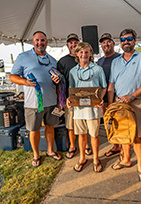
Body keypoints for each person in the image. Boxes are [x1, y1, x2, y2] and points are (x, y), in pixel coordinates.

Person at [10, 31, 62, 167]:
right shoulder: (23, 57)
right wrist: (25, 82)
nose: (40, 43)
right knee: (34, 129)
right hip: (33, 103)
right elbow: (12, 76)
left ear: (47, 42)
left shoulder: (53, 60)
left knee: (50, 127)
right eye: (37, 40)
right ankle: (36, 155)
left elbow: (57, 81)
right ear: (33, 42)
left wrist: (57, 85)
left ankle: (50, 151)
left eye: (43, 40)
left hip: (51, 101)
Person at [108, 28, 141, 182]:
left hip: (136, 103)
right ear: (120, 43)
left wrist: (132, 95)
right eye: (123, 39)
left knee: (136, 137)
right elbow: (111, 86)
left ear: (134, 41)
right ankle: (126, 159)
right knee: (123, 134)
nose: (126, 42)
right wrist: (110, 105)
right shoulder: (115, 62)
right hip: (119, 104)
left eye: (128, 39)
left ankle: (140, 166)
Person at [67, 42, 107, 172]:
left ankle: (96, 158)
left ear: (90, 53)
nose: (84, 54)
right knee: (81, 135)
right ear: (77, 54)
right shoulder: (72, 71)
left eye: (86, 52)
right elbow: (71, 89)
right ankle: (82, 158)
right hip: (79, 109)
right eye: (81, 52)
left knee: (94, 135)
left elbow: (104, 87)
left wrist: (101, 98)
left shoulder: (98, 69)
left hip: (93, 109)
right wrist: (69, 100)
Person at [54, 33, 92, 159]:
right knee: (70, 124)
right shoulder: (62, 61)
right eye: (71, 43)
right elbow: (58, 82)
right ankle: (72, 146)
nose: (73, 44)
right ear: (67, 45)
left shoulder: (86, 59)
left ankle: (86, 145)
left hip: (84, 98)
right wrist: (61, 100)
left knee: (84, 123)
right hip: (69, 99)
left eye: (75, 42)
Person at [97, 33, 121, 157]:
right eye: (103, 42)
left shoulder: (120, 58)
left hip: (117, 96)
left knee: (119, 121)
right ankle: (115, 145)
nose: (106, 44)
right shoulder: (99, 61)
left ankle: (120, 145)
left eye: (108, 42)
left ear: (113, 43)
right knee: (108, 122)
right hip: (103, 97)